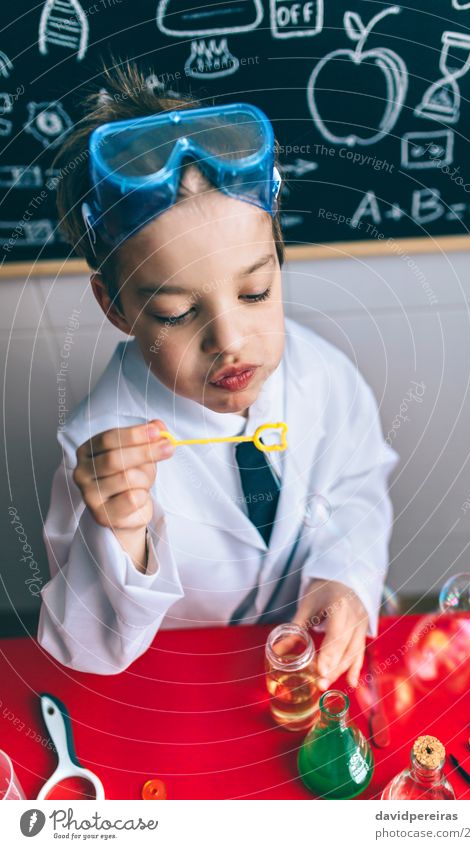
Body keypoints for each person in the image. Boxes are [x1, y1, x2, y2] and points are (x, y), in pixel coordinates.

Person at [38, 62, 398, 680]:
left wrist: (346, 575)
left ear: (279, 261)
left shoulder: (322, 373)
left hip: (307, 659)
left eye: (255, 292)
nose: (231, 342)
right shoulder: (99, 449)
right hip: (187, 683)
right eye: (177, 313)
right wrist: (122, 537)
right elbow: (89, 648)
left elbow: (358, 485)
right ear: (117, 308)